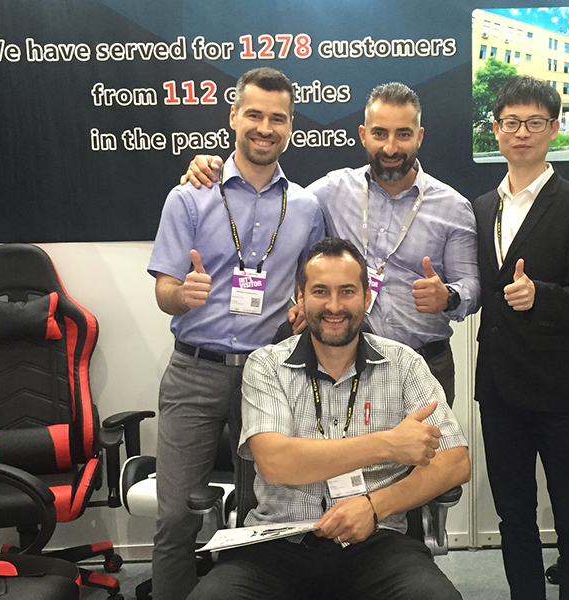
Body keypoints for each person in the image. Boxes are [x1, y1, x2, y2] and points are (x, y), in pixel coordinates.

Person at [187, 237, 470, 600]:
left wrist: (375, 506)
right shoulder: (266, 365)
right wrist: (388, 444)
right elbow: (276, 462)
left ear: (366, 298)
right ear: (300, 298)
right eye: (320, 291)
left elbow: (455, 461)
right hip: (277, 544)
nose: (334, 306)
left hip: (376, 540)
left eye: (347, 291)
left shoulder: (404, 364)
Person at [180, 83, 479, 406]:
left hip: (425, 364)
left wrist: (448, 297)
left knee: (427, 442)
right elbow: (271, 193)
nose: (390, 147)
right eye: (379, 133)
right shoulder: (332, 190)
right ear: (363, 135)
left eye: (403, 135)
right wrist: (213, 168)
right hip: (346, 367)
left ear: (419, 137)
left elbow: (472, 285)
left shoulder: (453, 207)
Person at [147, 67, 325, 600]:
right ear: (233, 117)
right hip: (194, 372)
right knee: (176, 516)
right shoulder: (189, 196)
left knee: (263, 516)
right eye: (254, 114)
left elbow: (310, 283)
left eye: (278, 118)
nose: (265, 127)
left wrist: (302, 307)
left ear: (290, 126)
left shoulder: (306, 206)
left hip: (268, 377)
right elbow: (163, 290)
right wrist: (183, 294)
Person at [472, 76, 569, 600]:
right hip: (500, 390)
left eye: (534, 122)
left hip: (563, 393)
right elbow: (483, 290)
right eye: (511, 122)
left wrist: (541, 296)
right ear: (496, 129)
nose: (522, 133)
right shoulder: (482, 207)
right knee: (514, 516)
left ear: (554, 128)